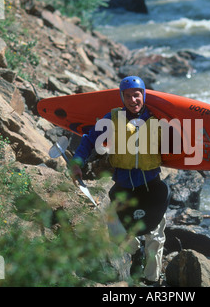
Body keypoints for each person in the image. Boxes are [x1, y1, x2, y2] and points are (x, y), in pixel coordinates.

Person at [70, 76, 170, 284]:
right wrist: (77, 161)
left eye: (137, 95)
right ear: (122, 98)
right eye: (128, 96)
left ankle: (152, 279)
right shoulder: (113, 118)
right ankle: (135, 254)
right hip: (123, 185)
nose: (134, 100)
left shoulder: (157, 117)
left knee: (155, 236)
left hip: (151, 185)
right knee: (117, 232)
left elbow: (181, 139)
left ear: (143, 95)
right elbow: (90, 138)